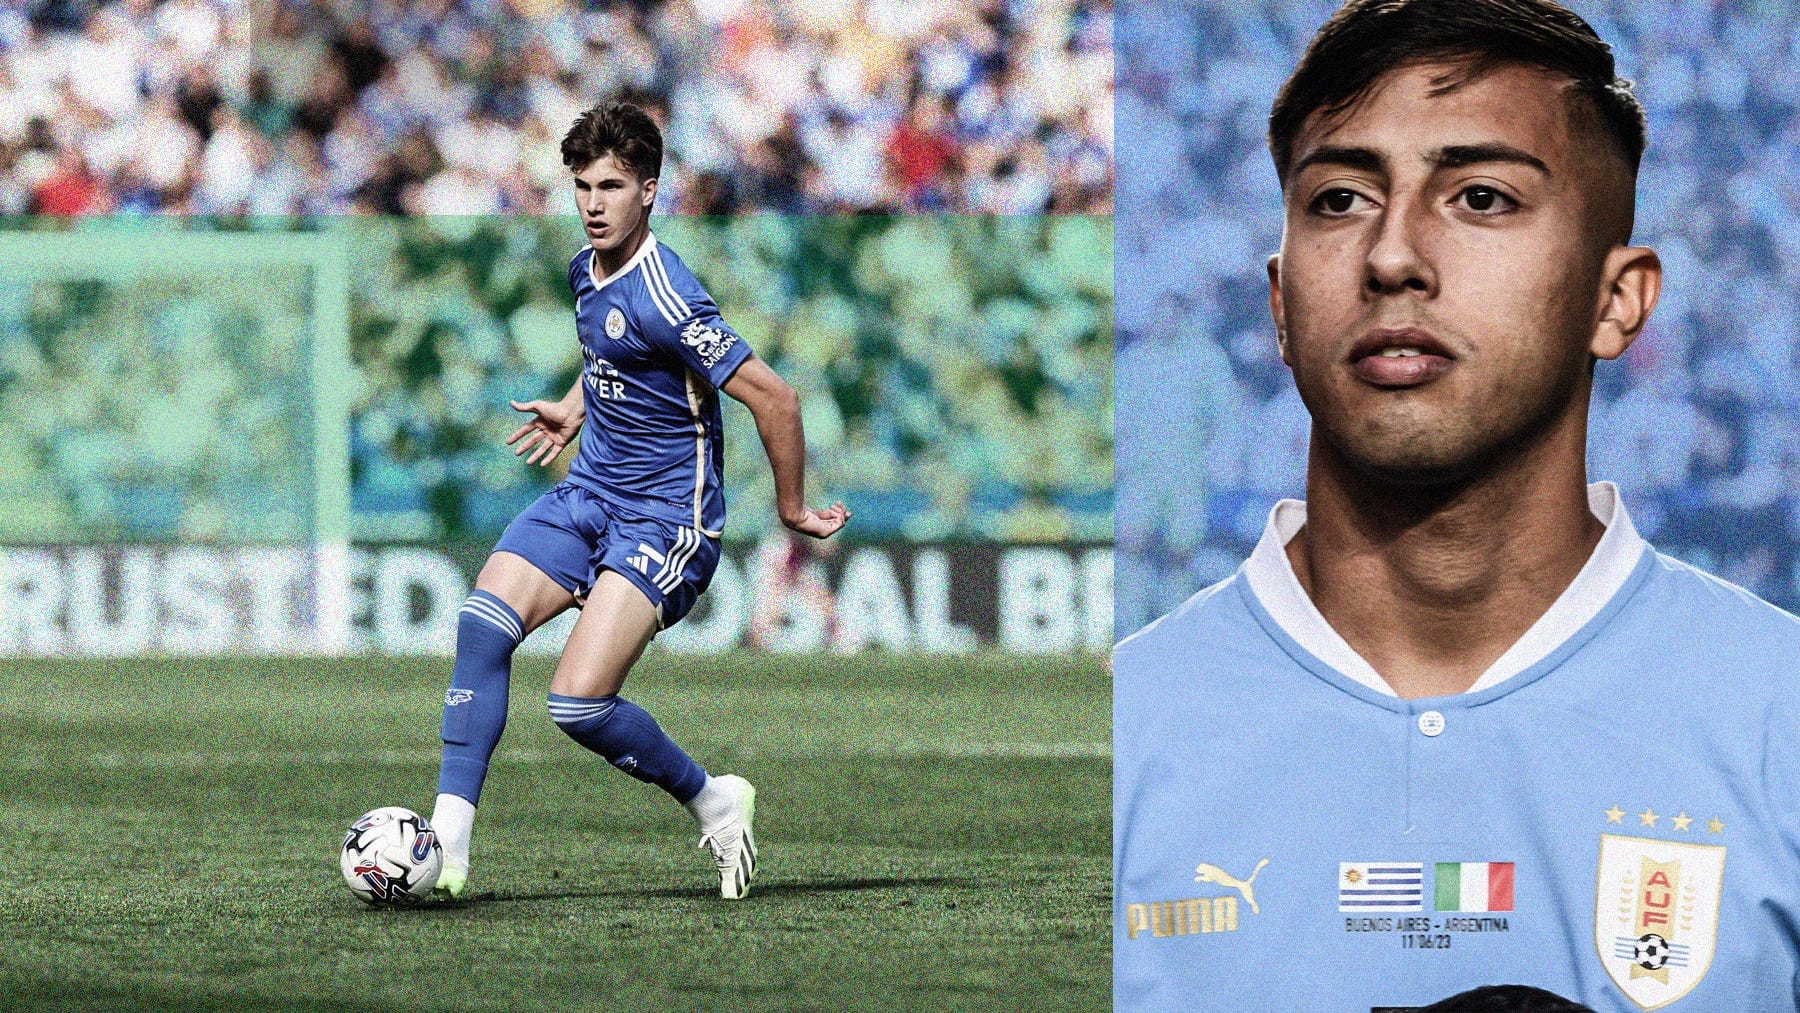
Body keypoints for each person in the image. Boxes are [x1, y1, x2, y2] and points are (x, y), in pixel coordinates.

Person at [1113, 1, 1800, 1009]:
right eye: (1340, 199)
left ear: (1619, 300)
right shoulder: (1122, 730)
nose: (1392, 255)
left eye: (1479, 197)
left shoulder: (1780, 715)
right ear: (1279, 303)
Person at [428, 100, 849, 902]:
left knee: (577, 704)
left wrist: (792, 509)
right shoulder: (585, 270)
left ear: (649, 191)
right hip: (590, 491)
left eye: (611, 186)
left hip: (668, 519)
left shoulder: (670, 295)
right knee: (481, 626)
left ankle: (716, 797)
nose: (592, 203)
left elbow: (776, 398)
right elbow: (612, 355)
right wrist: (576, 404)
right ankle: (445, 849)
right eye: (581, 185)